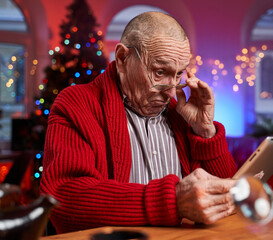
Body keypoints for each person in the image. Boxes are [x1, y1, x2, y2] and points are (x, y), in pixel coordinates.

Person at [40, 11, 237, 234]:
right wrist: (174, 200)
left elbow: (226, 204)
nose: (171, 91)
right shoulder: (77, 103)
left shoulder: (181, 114)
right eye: (160, 72)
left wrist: (205, 132)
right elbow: (64, 198)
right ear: (123, 58)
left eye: (179, 74)